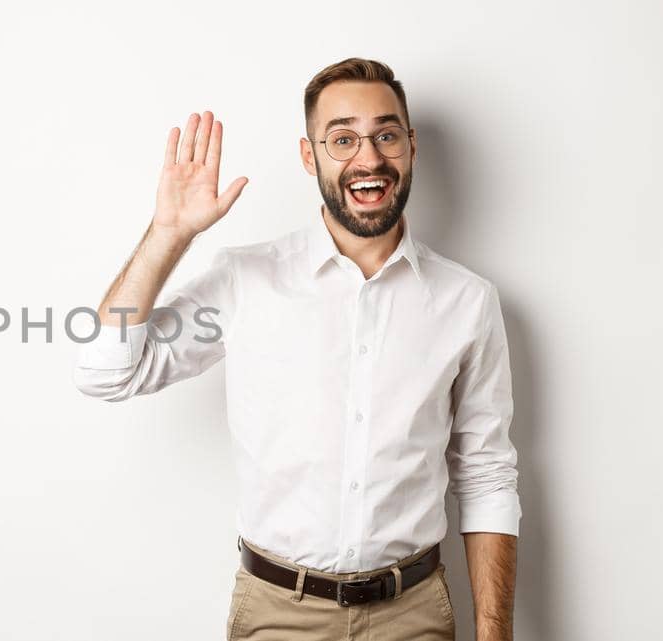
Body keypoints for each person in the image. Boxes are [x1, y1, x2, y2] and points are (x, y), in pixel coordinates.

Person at [71, 58, 520, 641]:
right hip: (277, 614)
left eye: (386, 134)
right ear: (310, 157)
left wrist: (495, 634)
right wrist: (169, 234)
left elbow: (485, 474)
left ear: (409, 147)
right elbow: (106, 372)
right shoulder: (245, 279)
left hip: (413, 615)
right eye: (342, 139)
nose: (369, 157)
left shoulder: (467, 301)